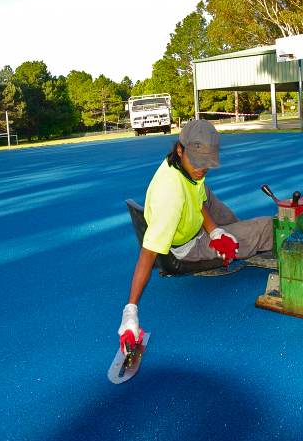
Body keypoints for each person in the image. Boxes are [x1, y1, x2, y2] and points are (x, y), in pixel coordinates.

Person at [116, 120, 273, 352]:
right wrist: (130, 311)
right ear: (180, 149)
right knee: (267, 226)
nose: (202, 169)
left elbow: (198, 197)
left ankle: (236, 237)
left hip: (193, 222)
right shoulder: (170, 196)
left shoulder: (185, 169)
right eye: (198, 163)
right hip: (189, 246)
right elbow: (148, 253)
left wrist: (216, 231)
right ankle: (254, 240)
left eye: (206, 165)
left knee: (211, 200)